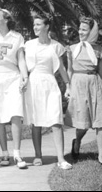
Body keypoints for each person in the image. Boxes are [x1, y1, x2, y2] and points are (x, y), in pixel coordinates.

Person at [23, 14, 72, 170]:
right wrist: (23, 79)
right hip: (34, 83)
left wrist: (68, 85)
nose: (35, 27)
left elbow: (62, 69)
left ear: (47, 26)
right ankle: (38, 155)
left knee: (56, 120)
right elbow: (22, 64)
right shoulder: (28, 44)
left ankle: (61, 158)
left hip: (50, 83)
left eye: (38, 24)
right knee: (36, 122)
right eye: (34, 25)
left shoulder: (56, 46)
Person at [0, 8, 28, 169]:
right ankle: (5, 153)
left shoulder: (17, 37)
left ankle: (17, 153)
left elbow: (21, 59)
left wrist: (25, 77)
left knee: (16, 114)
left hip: (13, 76)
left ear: (6, 19)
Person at [64, 17, 102, 165]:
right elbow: (69, 70)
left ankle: (101, 156)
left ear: (91, 32)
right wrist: (68, 88)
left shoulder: (98, 49)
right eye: (80, 29)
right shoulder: (71, 49)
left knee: (100, 122)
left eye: (84, 29)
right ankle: (77, 142)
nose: (80, 32)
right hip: (78, 84)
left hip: (95, 84)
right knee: (82, 123)